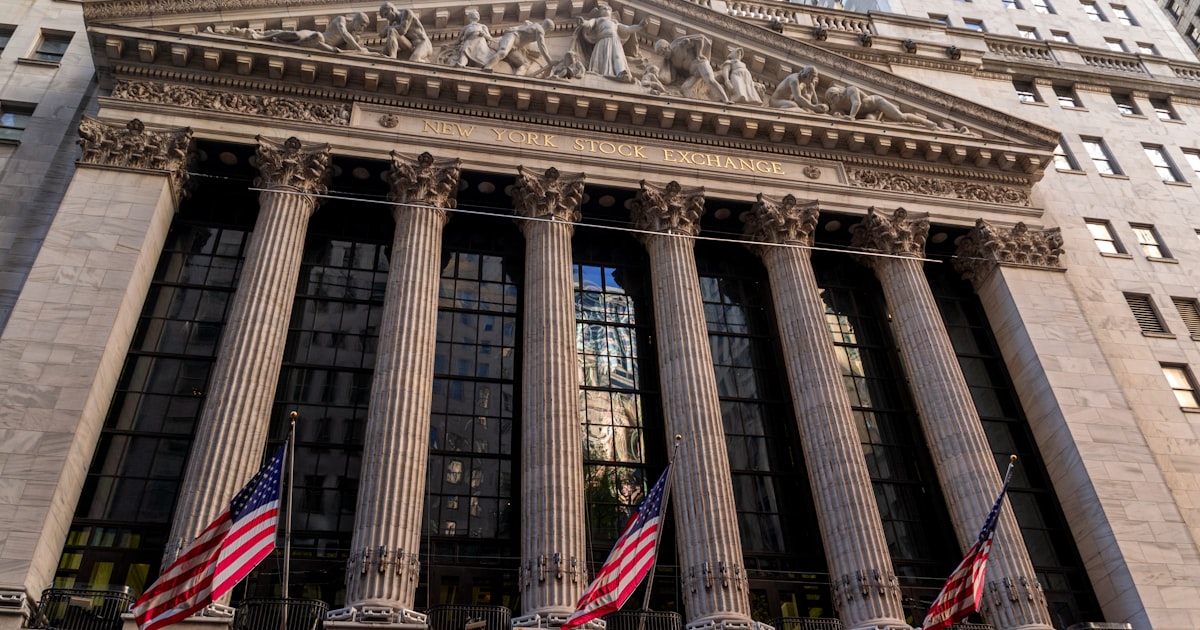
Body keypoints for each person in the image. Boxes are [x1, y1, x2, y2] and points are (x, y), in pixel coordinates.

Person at [220, 12, 371, 54]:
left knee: (316, 41)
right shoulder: (341, 20)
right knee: (294, 35)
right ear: (357, 19)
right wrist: (359, 48)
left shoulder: (355, 38)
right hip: (315, 36)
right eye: (363, 24)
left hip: (319, 45)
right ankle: (261, 37)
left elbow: (345, 50)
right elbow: (344, 34)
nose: (363, 28)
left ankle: (283, 43)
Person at [572, 3, 644, 82]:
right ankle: (599, 72)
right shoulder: (598, 20)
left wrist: (640, 26)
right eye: (604, 8)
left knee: (618, 56)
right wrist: (583, 22)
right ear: (599, 12)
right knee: (601, 57)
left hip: (615, 41)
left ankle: (621, 72)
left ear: (611, 13)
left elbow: (628, 29)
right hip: (602, 40)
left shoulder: (615, 22)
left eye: (609, 9)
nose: (606, 10)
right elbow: (589, 24)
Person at [653, 34, 729, 103]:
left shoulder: (679, 44)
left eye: (663, 52)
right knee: (684, 88)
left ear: (667, 47)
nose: (664, 56)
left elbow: (700, 38)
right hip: (694, 74)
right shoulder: (671, 61)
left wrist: (699, 54)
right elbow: (669, 79)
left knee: (710, 80)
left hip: (700, 64)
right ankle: (696, 104)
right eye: (661, 55)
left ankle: (726, 99)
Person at [824, 84, 938, 129]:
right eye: (831, 100)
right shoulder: (837, 103)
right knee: (869, 123)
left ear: (838, 93)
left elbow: (856, 103)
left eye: (833, 97)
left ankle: (927, 123)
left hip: (877, 104)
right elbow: (834, 113)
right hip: (867, 113)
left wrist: (851, 116)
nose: (833, 101)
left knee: (900, 117)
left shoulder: (850, 90)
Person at [481, 19, 554, 75]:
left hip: (515, 47)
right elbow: (542, 46)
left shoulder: (534, 25)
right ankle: (488, 66)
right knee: (503, 52)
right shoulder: (540, 30)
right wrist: (549, 60)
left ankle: (517, 77)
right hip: (512, 37)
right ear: (549, 29)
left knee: (525, 64)